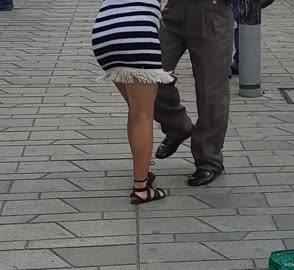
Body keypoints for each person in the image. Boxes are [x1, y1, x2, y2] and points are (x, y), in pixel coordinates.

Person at [92, 0, 172, 204]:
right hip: (137, 32)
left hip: (104, 31)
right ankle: (141, 188)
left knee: (136, 111)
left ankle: (142, 171)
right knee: (143, 116)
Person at [154, 0, 234, 186]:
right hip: (173, 11)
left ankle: (209, 159)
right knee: (149, 74)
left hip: (212, 12)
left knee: (211, 91)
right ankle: (178, 127)